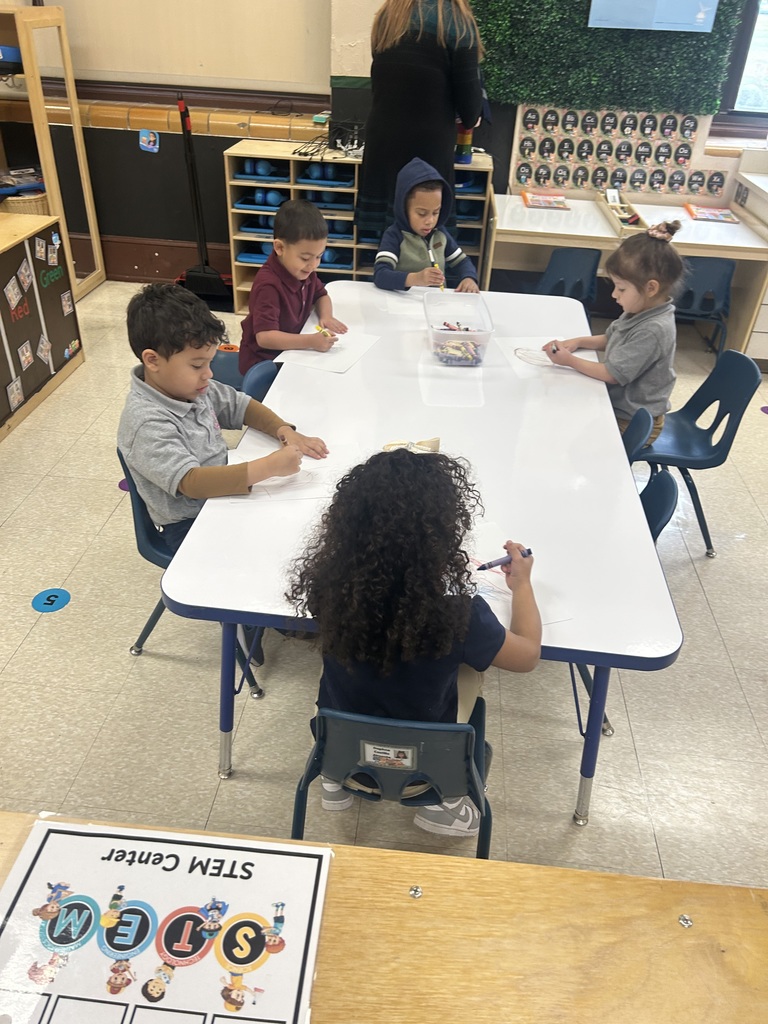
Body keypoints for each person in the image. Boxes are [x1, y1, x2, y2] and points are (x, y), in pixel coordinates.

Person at [287, 449, 541, 838]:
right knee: (471, 670)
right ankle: (446, 806)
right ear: (442, 534)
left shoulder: (328, 591)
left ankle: (335, 782)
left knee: (339, 664)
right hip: (425, 770)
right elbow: (527, 657)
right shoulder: (460, 615)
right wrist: (521, 584)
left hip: (339, 750)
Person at [118, 283, 328, 553]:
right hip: (189, 523)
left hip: (223, 497)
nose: (208, 374)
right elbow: (191, 482)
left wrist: (284, 429)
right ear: (153, 360)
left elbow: (240, 405)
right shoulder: (146, 421)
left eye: (210, 363)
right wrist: (269, 467)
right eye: (197, 365)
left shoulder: (190, 385)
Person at [355, 0, 483, 245]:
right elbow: (470, 113)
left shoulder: (387, 15)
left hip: (383, 145)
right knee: (426, 244)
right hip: (428, 151)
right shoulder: (456, 20)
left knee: (386, 246)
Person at [543, 221, 684, 442]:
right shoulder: (640, 309)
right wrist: (578, 342)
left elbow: (611, 374)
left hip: (632, 423)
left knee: (567, 433)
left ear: (651, 288)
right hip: (621, 409)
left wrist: (569, 360)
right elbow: (611, 338)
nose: (614, 296)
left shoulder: (654, 328)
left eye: (621, 288)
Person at [238, 199, 348, 376]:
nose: (313, 265)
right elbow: (265, 337)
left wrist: (326, 316)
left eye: (319, 256)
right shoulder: (269, 285)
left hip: (293, 352)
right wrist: (311, 341)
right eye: (305, 258)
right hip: (265, 363)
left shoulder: (303, 271)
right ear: (280, 247)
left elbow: (321, 295)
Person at [373, 157, 479, 292]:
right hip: (401, 305)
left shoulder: (440, 233)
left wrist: (469, 278)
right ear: (404, 209)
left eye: (436, 212)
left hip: (435, 304)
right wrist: (415, 278)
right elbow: (381, 275)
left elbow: (462, 262)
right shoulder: (394, 235)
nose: (430, 221)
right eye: (422, 214)